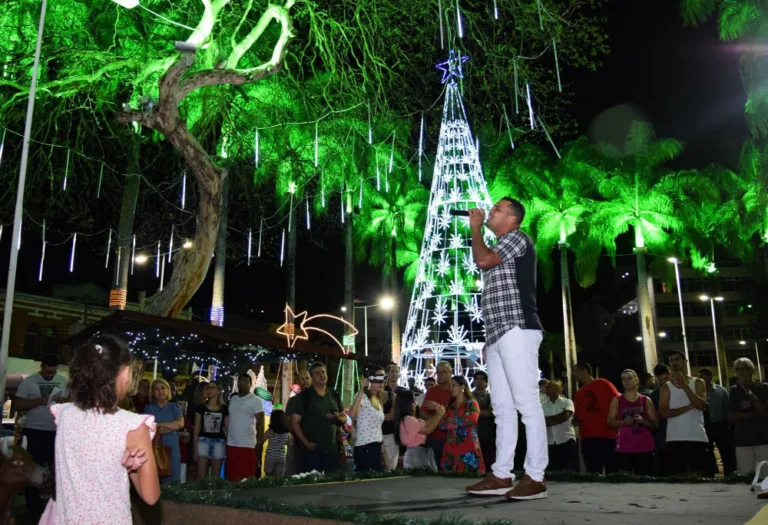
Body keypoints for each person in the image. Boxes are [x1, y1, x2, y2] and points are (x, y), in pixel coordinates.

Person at [464, 199, 547, 500]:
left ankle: (536, 477)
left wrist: (475, 228)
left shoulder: (516, 238)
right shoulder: (501, 244)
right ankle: (502, 474)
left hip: (517, 328)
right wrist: (489, 342)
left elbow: (483, 260)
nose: (490, 211)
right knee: (501, 408)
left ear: (512, 220)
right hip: (497, 335)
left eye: (498, 209)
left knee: (526, 403)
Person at [48, 336, 159, 525]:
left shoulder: (64, 415)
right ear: (125, 373)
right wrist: (131, 469)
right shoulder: (132, 425)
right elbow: (151, 496)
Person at [14, 353, 68, 521]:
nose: (50, 374)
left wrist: (62, 401)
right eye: (48, 372)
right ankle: (34, 511)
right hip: (35, 431)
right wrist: (42, 401)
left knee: (57, 472)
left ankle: (56, 510)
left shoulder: (62, 380)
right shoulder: (29, 382)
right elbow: (17, 405)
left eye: (53, 372)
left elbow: (69, 401)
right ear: (42, 366)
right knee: (33, 471)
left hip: (56, 432)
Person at [659, 351, 709, 475]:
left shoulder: (697, 382)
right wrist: (687, 408)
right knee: (678, 479)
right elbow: (663, 413)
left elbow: (701, 405)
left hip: (696, 437)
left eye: (677, 359)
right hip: (675, 438)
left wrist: (684, 385)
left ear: (685, 361)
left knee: (699, 477)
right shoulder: (666, 387)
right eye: (671, 360)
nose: (674, 362)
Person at [291, 362, 346, 473]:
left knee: (332, 484)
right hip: (312, 451)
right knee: (313, 486)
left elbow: (344, 417)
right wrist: (306, 443)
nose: (322, 375)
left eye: (323, 372)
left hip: (332, 451)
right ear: (312, 377)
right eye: (317, 373)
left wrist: (338, 418)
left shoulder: (333, 394)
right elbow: (294, 422)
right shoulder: (304, 396)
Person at [572, 362, 620, 475]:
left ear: (585, 371)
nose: (574, 375)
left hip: (607, 436)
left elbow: (618, 401)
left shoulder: (603, 383)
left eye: (576, 371)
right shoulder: (579, 393)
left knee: (613, 472)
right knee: (592, 474)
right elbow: (578, 414)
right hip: (588, 439)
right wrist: (575, 420)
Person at [608, 369, 657, 475]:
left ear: (636, 380)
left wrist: (643, 421)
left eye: (630, 378)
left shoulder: (646, 400)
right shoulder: (616, 400)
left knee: (646, 481)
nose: (627, 381)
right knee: (626, 483)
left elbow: (655, 424)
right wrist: (623, 422)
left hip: (645, 447)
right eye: (623, 379)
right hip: (624, 447)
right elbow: (610, 422)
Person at [728, 357, 768, 475]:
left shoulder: (763, 387)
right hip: (743, 440)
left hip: (763, 439)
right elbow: (731, 416)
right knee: (745, 475)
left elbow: (763, 411)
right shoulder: (734, 390)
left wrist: (748, 392)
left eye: (743, 369)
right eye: (737, 369)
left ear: (751, 370)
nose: (740, 372)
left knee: (766, 475)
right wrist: (755, 413)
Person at [439, 376, 485, 473]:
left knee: (469, 473)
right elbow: (442, 423)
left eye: (453, 385)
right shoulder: (450, 405)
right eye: (450, 386)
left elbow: (471, 419)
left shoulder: (472, 403)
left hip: (468, 442)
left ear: (462, 387)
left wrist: (452, 421)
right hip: (451, 442)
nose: (450, 389)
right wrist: (453, 422)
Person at [144, 378, 184, 483]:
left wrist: (160, 425)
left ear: (168, 390)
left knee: (173, 482)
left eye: (162, 388)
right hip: (155, 449)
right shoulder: (149, 408)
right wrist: (170, 426)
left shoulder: (175, 407)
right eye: (156, 389)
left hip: (173, 450)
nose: (160, 391)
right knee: (154, 482)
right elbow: (150, 428)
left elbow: (180, 424)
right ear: (153, 392)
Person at [226, 373, 264, 481]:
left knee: (246, 476)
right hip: (231, 442)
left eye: (245, 381)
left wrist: (259, 443)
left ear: (250, 384)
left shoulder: (256, 400)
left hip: (247, 443)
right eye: (240, 381)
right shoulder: (233, 399)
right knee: (232, 475)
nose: (242, 383)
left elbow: (260, 423)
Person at [394, 390, 444, 470]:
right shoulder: (408, 419)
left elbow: (426, 423)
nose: (416, 404)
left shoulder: (407, 419)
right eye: (413, 402)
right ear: (407, 404)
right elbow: (428, 430)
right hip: (416, 454)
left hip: (419, 452)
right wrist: (439, 414)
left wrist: (438, 412)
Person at [699, 367, 735, 475]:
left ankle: (729, 475)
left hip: (720, 426)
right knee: (707, 454)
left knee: (725, 452)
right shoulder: (698, 393)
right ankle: (710, 476)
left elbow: (728, 409)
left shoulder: (721, 391)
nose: (700, 380)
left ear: (709, 377)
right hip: (705, 427)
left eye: (702, 377)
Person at [350, 367, 387, 471]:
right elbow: (353, 415)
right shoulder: (362, 396)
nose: (382, 381)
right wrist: (361, 389)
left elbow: (378, 428)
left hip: (376, 447)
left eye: (383, 378)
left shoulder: (377, 399)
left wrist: (383, 450)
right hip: (365, 447)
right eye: (378, 378)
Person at [421, 361, 454, 468]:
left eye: (443, 372)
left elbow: (458, 417)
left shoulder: (455, 391)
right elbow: (422, 414)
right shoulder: (431, 392)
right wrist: (439, 415)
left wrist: (438, 413)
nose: (440, 375)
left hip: (453, 437)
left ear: (450, 373)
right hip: (435, 438)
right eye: (438, 372)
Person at [193, 381, 229, 478]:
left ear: (218, 391)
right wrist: (194, 447)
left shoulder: (224, 408)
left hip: (219, 441)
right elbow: (197, 427)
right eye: (208, 388)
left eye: (213, 388)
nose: (210, 390)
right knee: (201, 476)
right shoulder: (201, 407)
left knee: (215, 476)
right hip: (203, 441)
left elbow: (227, 427)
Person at [542, 380, 577, 472]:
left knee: (569, 471)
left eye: (549, 387)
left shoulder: (567, 402)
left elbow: (564, 416)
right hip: (550, 442)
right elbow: (542, 422)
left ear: (558, 389)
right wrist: (551, 420)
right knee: (553, 472)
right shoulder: (542, 405)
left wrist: (549, 420)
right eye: (546, 387)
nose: (546, 389)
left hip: (566, 440)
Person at [284, 369, 311, 475]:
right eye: (302, 379)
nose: (305, 381)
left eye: (307, 378)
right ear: (298, 381)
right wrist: (295, 433)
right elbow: (287, 420)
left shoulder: (317, 397)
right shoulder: (293, 401)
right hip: (299, 443)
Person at [382, 364, 406, 472]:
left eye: (397, 372)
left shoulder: (404, 392)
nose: (394, 374)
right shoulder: (381, 391)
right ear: (387, 374)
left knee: (392, 464)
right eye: (392, 372)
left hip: (395, 433)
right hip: (380, 431)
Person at [472, 371, 496, 468]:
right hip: (472, 430)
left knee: (488, 455)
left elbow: (491, 412)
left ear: (486, 382)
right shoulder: (469, 396)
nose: (479, 381)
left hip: (487, 431)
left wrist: (473, 412)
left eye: (482, 379)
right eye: (477, 379)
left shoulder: (491, 397)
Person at [650, 364, 670, 475]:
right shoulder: (655, 394)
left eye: (665, 379)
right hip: (663, 433)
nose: (663, 382)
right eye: (660, 380)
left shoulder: (678, 388)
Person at [264, 409, 291, 477]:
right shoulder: (286, 432)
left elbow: (261, 440)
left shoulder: (270, 431)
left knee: (269, 479)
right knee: (279, 480)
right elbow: (288, 444)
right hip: (281, 457)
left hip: (270, 456)